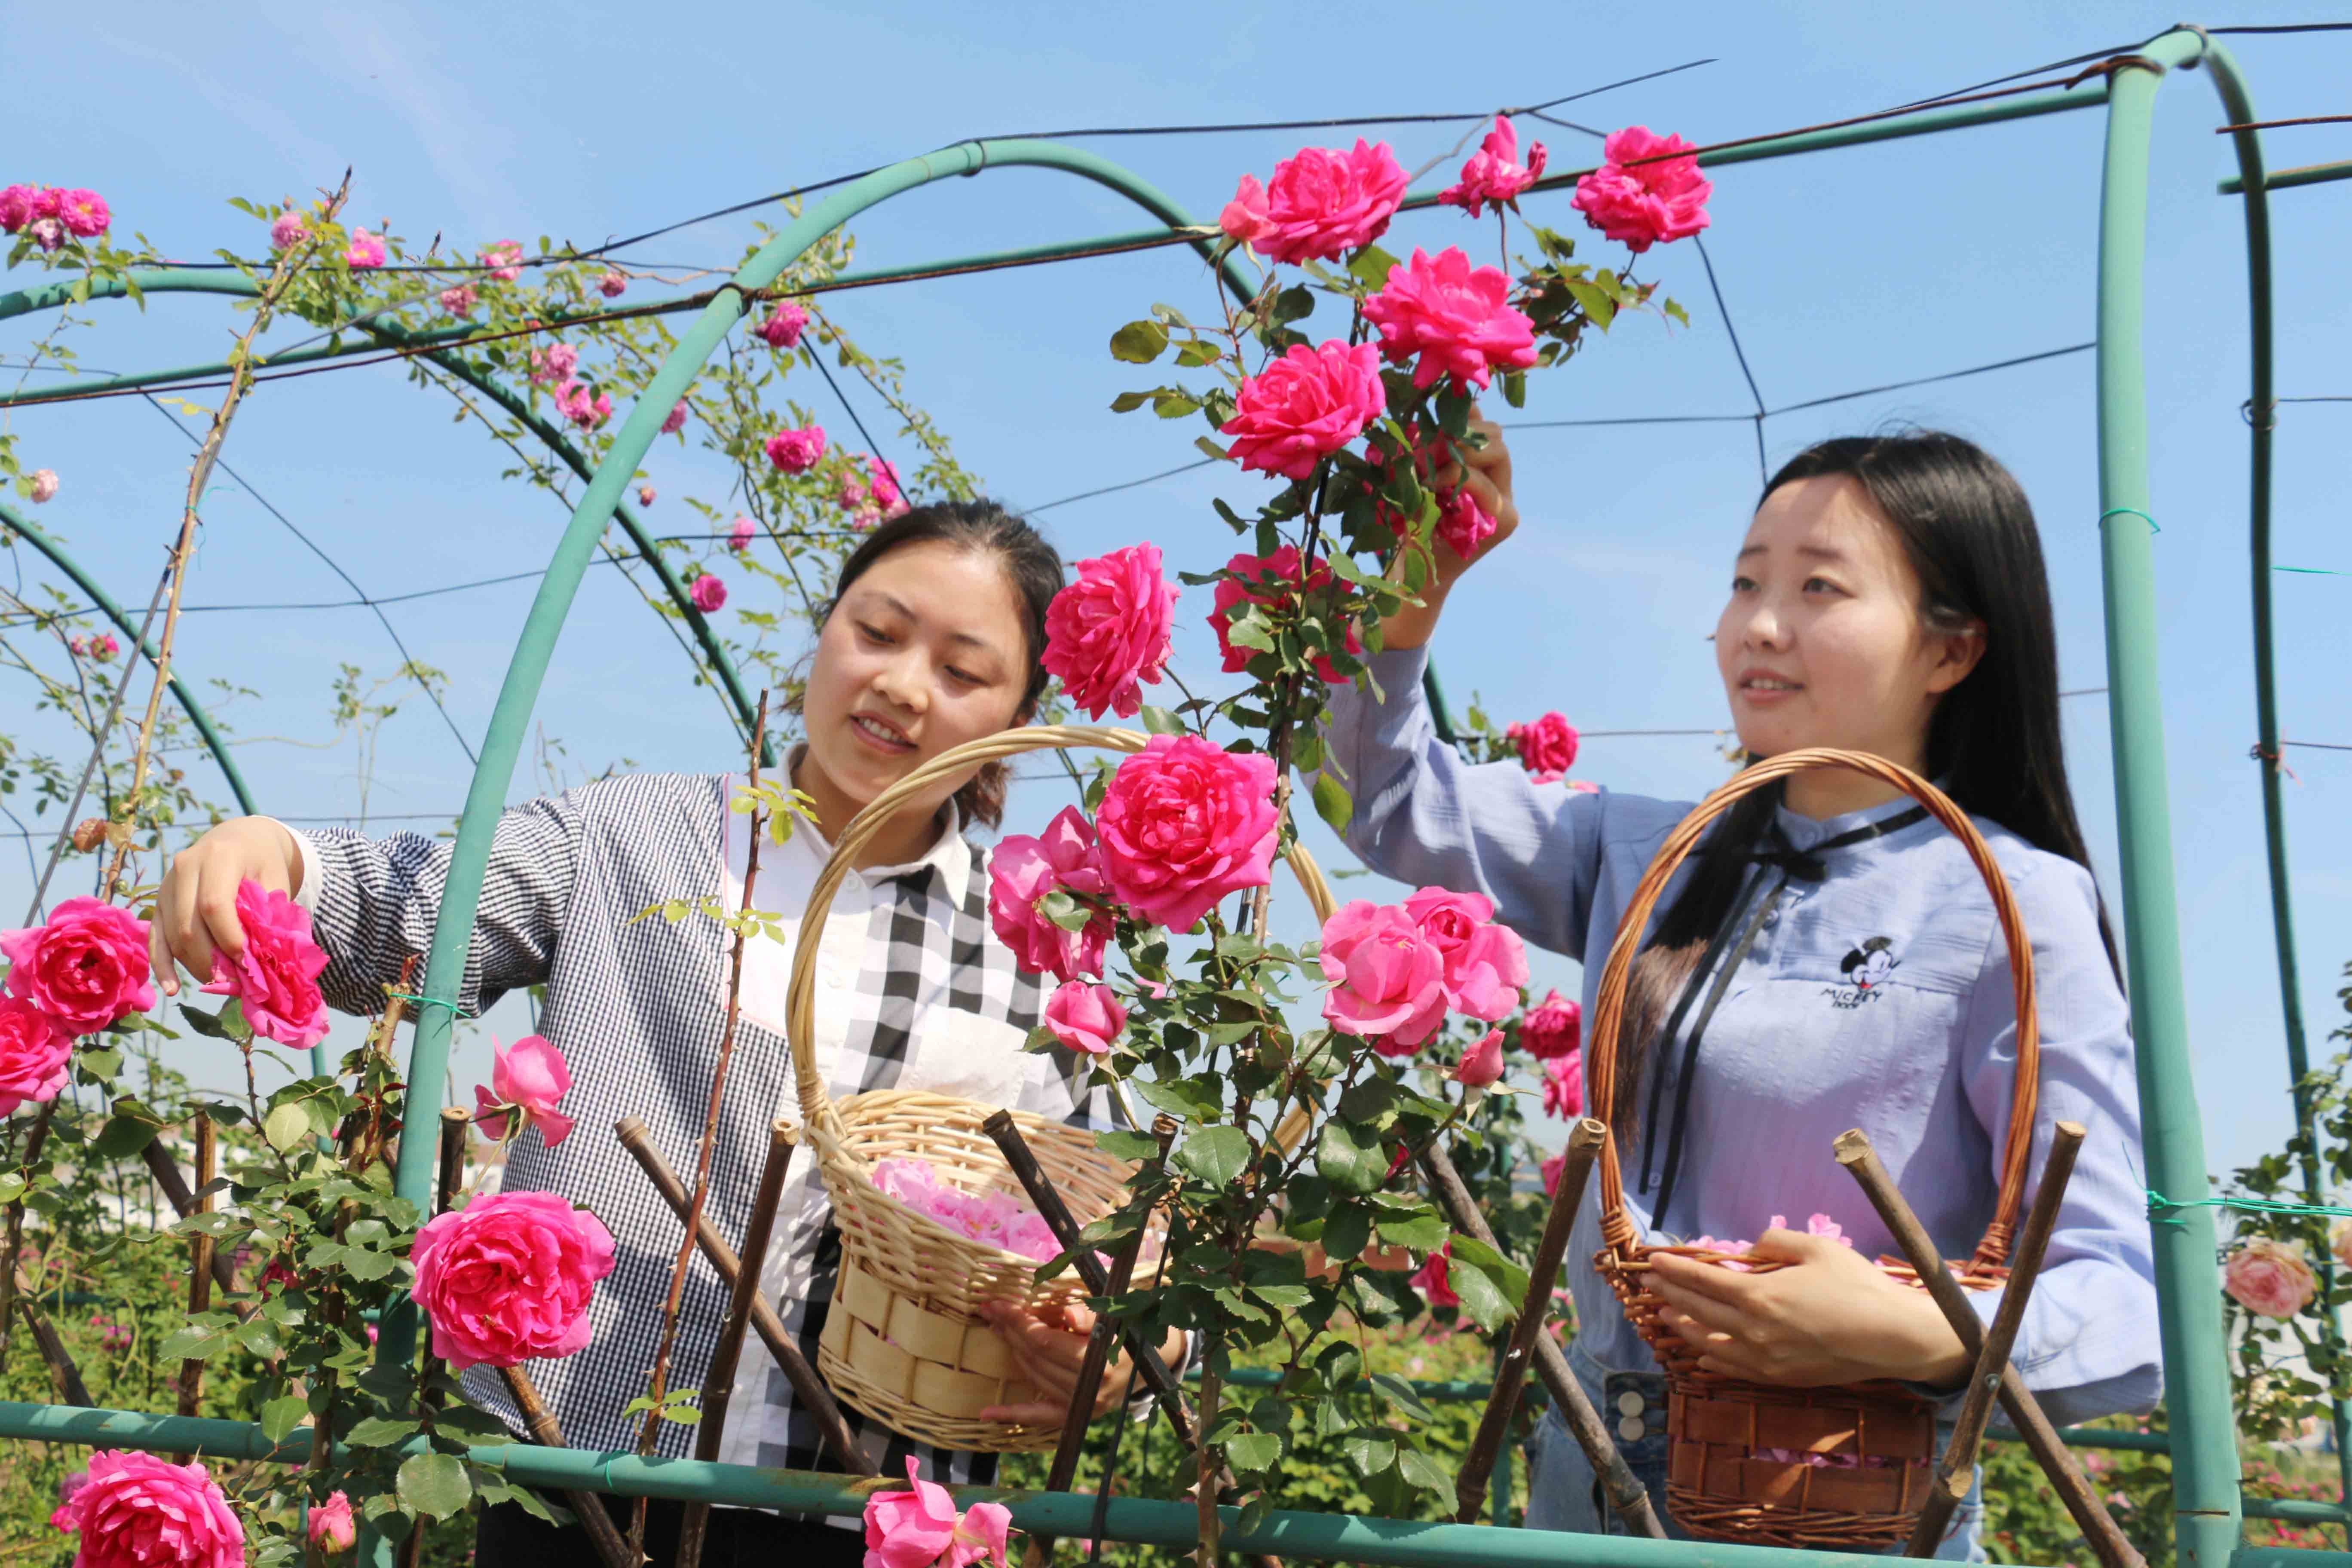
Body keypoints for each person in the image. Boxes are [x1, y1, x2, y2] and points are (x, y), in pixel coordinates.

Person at [149, 500, 1176, 1567]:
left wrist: (1129, 1353)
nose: (905, 687)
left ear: (1022, 713)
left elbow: (1128, 1235)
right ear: (825, 633)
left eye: (965, 673)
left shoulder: (1038, 948)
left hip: (880, 1515)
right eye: (876, 633)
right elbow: (420, 912)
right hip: (586, 1467)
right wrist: (271, 854)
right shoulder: (636, 836)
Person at [1320, 426, 2158, 1559]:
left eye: (1820, 587)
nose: (1760, 625)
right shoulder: (1641, 850)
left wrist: (1917, 1332)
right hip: (1592, 1477)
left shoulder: (2009, 902)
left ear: (1952, 652)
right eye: (1745, 581)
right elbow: (1379, 799)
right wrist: (1412, 597)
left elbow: (2115, 1290)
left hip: (1840, 1503)